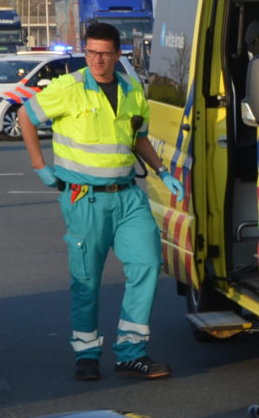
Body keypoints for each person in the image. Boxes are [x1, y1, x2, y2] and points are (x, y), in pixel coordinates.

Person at [19, 21, 183, 381]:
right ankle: (87, 353)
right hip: (85, 199)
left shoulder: (131, 89)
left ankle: (130, 351)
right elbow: (26, 116)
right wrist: (40, 167)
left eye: (104, 54)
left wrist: (162, 170)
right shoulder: (69, 88)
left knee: (148, 263)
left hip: (127, 196)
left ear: (117, 54)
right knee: (87, 280)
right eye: (90, 52)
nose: (96, 59)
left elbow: (137, 137)